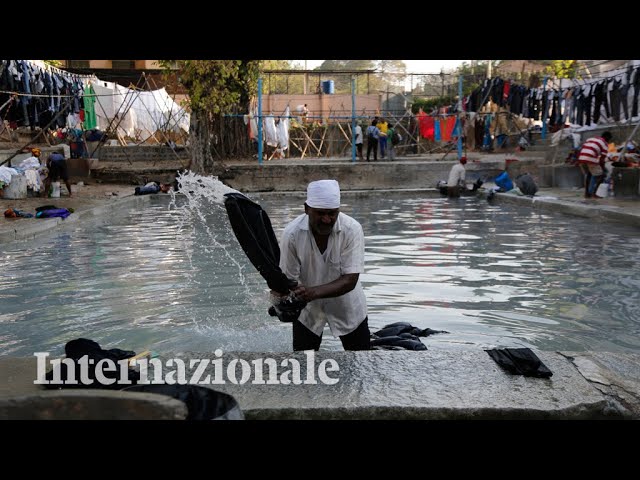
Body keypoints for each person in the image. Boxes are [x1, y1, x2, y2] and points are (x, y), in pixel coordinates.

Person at [278, 179, 370, 351]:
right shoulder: (291, 234)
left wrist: (311, 293)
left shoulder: (352, 229)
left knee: (361, 362)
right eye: (320, 213)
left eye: (332, 214)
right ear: (306, 209)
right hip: (307, 310)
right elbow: (288, 279)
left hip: (348, 305)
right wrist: (284, 300)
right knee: (303, 367)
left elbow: (350, 280)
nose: (327, 219)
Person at [577, 131, 612, 198]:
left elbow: (583, 147)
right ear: (607, 137)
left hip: (581, 157)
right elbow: (602, 159)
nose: (609, 141)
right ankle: (594, 193)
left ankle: (586, 193)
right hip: (590, 158)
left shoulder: (591, 139)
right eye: (609, 139)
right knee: (601, 176)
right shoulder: (605, 143)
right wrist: (603, 168)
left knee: (589, 174)